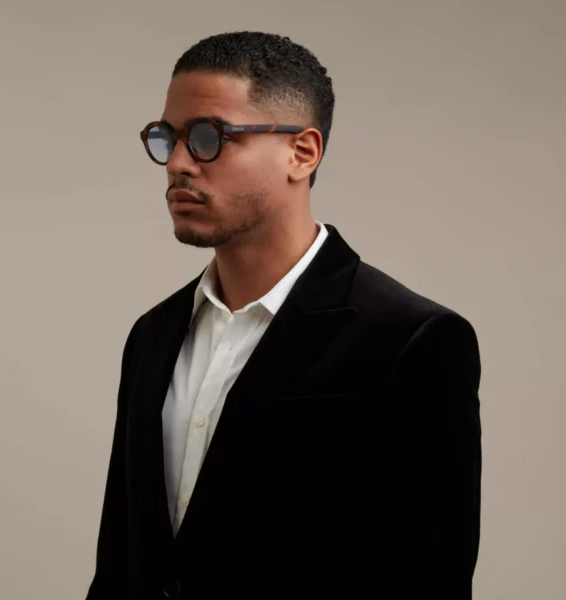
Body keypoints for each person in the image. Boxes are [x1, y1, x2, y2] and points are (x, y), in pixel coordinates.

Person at [86, 31, 482, 600]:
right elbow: (121, 561)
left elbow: (430, 579)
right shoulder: (154, 333)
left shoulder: (412, 340)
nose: (177, 164)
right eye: (166, 137)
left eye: (208, 137)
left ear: (302, 152)